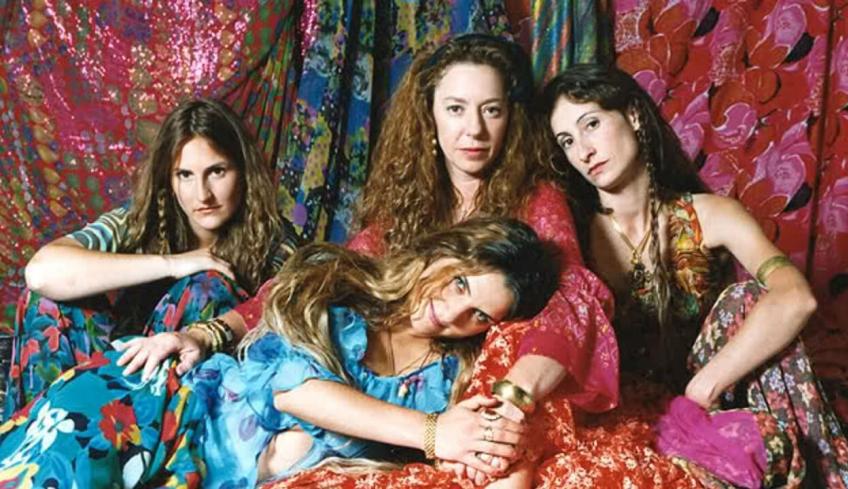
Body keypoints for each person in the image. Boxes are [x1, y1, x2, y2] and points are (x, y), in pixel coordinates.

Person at [117, 34, 620, 487]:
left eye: (491, 110)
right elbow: (320, 279)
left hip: (487, 389)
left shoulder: (537, 198)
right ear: (430, 115)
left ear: (511, 118)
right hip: (388, 400)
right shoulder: (409, 202)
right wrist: (208, 333)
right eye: (455, 109)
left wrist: (512, 396)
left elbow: (572, 298)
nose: (474, 129)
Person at [0, 217, 560, 489]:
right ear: (444, 255)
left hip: (204, 477)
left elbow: (503, 464)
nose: (451, 312)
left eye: (479, 315)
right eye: (459, 283)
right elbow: (292, 390)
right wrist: (433, 433)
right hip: (167, 405)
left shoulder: (444, 382)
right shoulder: (339, 286)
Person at [540, 63, 848, 488]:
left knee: (747, 300)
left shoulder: (710, 215)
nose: (583, 150)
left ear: (633, 116)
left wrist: (704, 386)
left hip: (709, 399)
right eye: (567, 140)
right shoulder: (573, 235)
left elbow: (796, 299)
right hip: (625, 416)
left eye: (591, 124)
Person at [3, 98, 299, 418]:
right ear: (169, 179)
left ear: (243, 171)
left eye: (217, 171)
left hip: (198, 395)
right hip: (119, 375)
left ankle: (129, 438)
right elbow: (41, 273)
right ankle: (37, 435)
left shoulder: (275, 239)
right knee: (47, 301)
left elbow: (284, 313)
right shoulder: (142, 221)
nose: (203, 194)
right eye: (185, 175)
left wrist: (201, 324)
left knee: (206, 286)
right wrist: (175, 263)